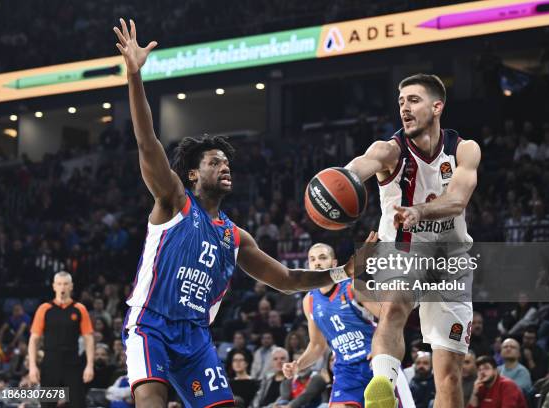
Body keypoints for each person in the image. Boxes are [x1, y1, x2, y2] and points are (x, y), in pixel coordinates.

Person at [113, 19, 356, 408]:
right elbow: (146, 142)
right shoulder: (174, 200)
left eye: (227, 162)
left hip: (195, 339)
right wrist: (135, 75)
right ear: (193, 173)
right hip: (151, 326)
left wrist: (344, 271)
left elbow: (288, 279)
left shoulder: (235, 236)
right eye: (214, 162)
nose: (225, 167)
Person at [345, 73, 480, 407]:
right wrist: (341, 179)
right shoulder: (388, 151)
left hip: (451, 262)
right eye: (401, 101)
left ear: (437, 107)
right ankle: (381, 387)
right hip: (403, 252)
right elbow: (359, 167)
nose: (404, 107)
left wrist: (420, 211)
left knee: (448, 375)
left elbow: (458, 198)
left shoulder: (464, 149)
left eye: (414, 100)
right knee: (394, 307)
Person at [283, 242, 414, 407]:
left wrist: (381, 349)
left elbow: (388, 318)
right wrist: (298, 365)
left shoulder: (352, 286)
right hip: (346, 370)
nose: (317, 262)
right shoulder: (309, 301)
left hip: (374, 362)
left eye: (322, 258)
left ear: (334, 263)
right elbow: (317, 345)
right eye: (312, 259)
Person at [28, 271, 95, 408]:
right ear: (54, 286)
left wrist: (89, 365)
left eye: (65, 284)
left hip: (73, 363)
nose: (62, 287)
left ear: (71, 286)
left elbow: (88, 339)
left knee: (77, 403)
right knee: (47, 404)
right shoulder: (44, 309)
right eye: (59, 284)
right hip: (50, 363)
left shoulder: (79, 309)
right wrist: (32, 366)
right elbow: (34, 339)